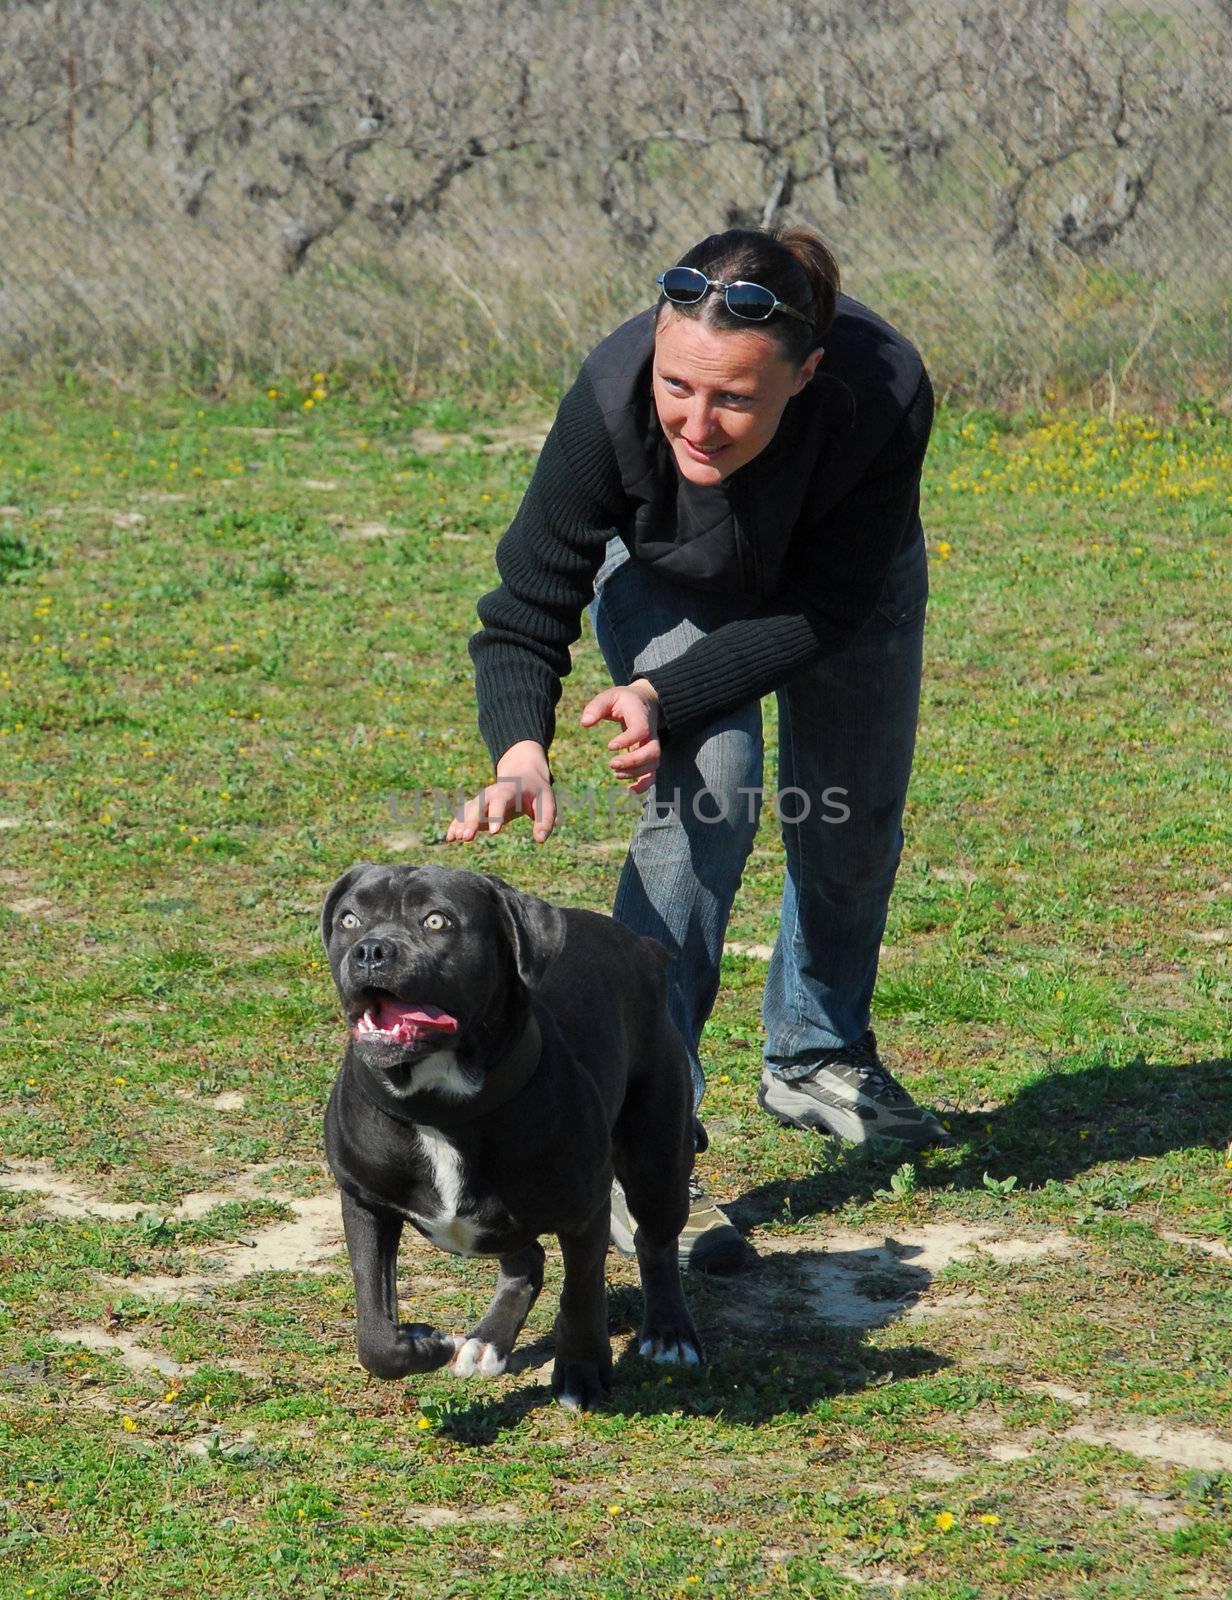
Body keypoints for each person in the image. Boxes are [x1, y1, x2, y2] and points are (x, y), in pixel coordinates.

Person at [447, 225, 948, 1273]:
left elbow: (823, 609)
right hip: (667, 567)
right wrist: (518, 750)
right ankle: (634, 1135)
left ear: (804, 374)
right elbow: (526, 601)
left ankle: (814, 1053)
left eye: (733, 398)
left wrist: (660, 690)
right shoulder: (611, 394)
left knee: (851, 813)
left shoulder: (881, 390)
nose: (697, 421)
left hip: (837, 584)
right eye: (680, 385)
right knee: (709, 784)